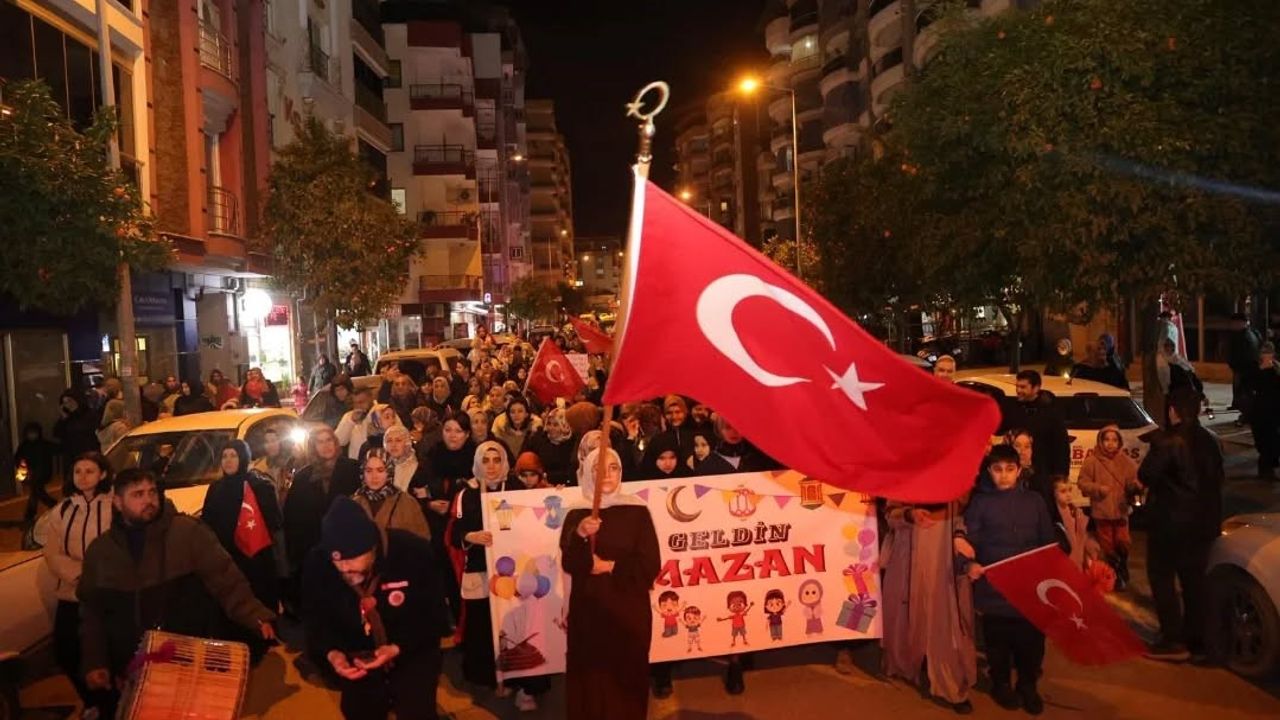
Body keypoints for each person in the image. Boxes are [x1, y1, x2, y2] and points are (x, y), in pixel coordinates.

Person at [78, 469, 276, 717]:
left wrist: (255, 614)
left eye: (152, 492)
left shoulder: (187, 532)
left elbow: (225, 578)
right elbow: (92, 612)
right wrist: (95, 661)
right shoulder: (100, 552)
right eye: (138, 494)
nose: (148, 500)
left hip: (187, 662)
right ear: (117, 502)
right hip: (132, 670)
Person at [303, 497, 448, 720]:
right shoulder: (318, 563)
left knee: (416, 711)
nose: (344, 569)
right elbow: (315, 619)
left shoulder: (413, 552)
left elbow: (434, 616)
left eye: (352, 559)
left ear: (372, 547)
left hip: (412, 651)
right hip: (357, 657)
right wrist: (332, 653)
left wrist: (398, 647)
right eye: (337, 561)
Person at [560, 447, 660, 720]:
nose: (606, 474)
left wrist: (610, 566)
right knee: (591, 677)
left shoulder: (637, 511)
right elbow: (570, 563)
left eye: (613, 468)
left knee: (626, 675)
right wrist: (580, 535)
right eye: (598, 469)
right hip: (589, 609)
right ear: (587, 473)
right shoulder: (576, 514)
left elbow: (650, 565)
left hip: (628, 609)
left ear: (621, 472)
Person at [448, 441, 546, 711]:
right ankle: (494, 678)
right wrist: (471, 536)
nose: (491, 466)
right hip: (480, 571)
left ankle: (524, 685)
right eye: (486, 460)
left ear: (504, 462)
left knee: (518, 628)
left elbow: (535, 520)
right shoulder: (466, 495)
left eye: (496, 460)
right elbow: (454, 533)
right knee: (484, 628)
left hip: (514, 572)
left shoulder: (516, 490)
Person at [957, 445, 1055, 715]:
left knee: (1031, 643)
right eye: (997, 469)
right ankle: (1000, 684)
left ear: (1019, 470)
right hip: (995, 588)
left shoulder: (1034, 501)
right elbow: (967, 540)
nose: (1004, 475)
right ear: (989, 471)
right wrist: (969, 563)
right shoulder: (980, 503)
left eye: (1009, 469)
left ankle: (1028, 685)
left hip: (1031, 587)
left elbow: (1048, 541)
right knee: (998, 642)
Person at [1139, 386, 1224, 662]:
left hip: (1171, 523)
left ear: (1173, 410)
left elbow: (1146, 474)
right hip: (1204, 523)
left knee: (1162, 577)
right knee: (1194, 581)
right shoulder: (1211, 440)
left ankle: (1173, 640)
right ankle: (1198, 641)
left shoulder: (1168, 441)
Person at [882, 495, 977, 714]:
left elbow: (968, 513)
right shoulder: (902, 479)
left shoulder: (955, 481)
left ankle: (950, 683)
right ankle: (908, 662)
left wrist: (960, 535)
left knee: (945, 621)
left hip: (943, 556)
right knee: (908, 614)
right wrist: (909, 515)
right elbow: (890, 515)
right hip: (907, 555)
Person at [42, 452, 114, 716]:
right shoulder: (63, 510)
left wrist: (97, 576)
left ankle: (108, 704)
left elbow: (118, 548)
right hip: (71, 593)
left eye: (89, 471)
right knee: (66, 652)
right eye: (77, 471)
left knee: (104, 653)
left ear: (102, 474)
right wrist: (78, 574)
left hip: (104, 592)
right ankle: (91, 700)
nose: (82, 477)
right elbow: (51, 552)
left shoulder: (114, 506)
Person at [201, 441, 285, 661]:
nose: (228, 461)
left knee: (254, 600)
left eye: (233, 456)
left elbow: (274, 521)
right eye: (224, 456)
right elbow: (207, 522)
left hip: (254, 558)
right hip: (225, 557)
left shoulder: (259, 486)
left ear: (243, 458)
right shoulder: (216, 488)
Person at [283, 427, 362, 607]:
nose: (326, 446)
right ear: (313, 447)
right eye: (320, 442)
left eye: (329, 440)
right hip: (315, 549)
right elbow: (293, 518)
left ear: (336, 443)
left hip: (348, 548)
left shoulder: (353, 469)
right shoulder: (303, 477)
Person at [1077, 426, 1141, 586]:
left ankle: (1122, 568)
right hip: (1102, 511)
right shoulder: (1092, 461)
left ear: (1119, 442)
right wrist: (1098, 489)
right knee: (1107, 544)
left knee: (1123, 541)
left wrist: (1134, 487)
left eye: (1114, 440)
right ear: (1100, 441)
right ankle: (1115, 574)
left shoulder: (1126, 462)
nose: (1110, 443)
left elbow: (1136, 480)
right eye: (1106, 439)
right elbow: (1082, 482)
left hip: (1121, 510)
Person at [1002, 370, 1069, 483]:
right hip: (1016, 473)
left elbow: (1061, 447)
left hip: (1042, 474)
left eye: (1023, 387)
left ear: (1036, 388)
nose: (1018, 390)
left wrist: (1061, 476)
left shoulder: (1050, 412)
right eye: (1017, 386)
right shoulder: (1013, 408)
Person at [352, 448, 429, 541]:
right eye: (368, 471)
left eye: (380, 470)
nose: (374, 476)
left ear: (389, 472)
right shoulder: (354, 502)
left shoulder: (407, 502)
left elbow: (422, 539)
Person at [1242, 342, 1280, 479]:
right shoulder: (1254, 368)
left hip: (1273, 409)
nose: (1266, 355)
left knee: (1272, 439)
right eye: (1264, 352)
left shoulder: (1276, 368)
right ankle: (1265, 468)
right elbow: (1249, 385)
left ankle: (1270, 465)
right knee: (1263, 439)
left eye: (1269, 352)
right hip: (1260, 409)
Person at [693, 415, 776, 476]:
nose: (734, 431)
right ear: (720, 429)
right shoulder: (709, 464)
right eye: (728, 427)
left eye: (738, 426)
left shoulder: (759, 458)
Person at [15, 422, 57, 533]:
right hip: (31, 474)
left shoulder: (43, 444)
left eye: (34, 433)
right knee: (37, 492)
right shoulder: (24, 446)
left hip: (42, 474)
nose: (32, 435)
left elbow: (57, 449)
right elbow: (18, 458)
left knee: (36, 492)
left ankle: (30, 515)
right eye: (30, 433)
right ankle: (51, 506)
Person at [524, 406, 576, 487]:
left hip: (564, 485)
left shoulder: (572, 443)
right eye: (549, 424)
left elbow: (571, 471)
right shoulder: (539, 439)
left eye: (555, 425)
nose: (551, 428)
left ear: (565, 426)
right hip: (539, 484)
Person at [54, 389, 100, 468]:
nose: (68, 405)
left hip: (87, 453)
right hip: (71, 456)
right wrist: (63, 419)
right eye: (65, 403)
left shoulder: (90, 414)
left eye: (70, 401)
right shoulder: (67, 417)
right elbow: (57, 434)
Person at [251, 427, 296, 505]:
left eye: (274, 441)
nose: (271, 445)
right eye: (267, 442)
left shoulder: (289, 466)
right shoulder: (257, 469)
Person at [1227, 312, 1262, 412]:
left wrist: (1234, 364)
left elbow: (1240, 352)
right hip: (1249, 366)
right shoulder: (1253, 333)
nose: (1233, 325)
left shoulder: (1242, 336)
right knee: (1244, 388)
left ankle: (1243, 407)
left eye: (1235, 323)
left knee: (1243, 388)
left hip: (1244, 366)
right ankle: (1240, 404)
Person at [336, 388, 376, 461]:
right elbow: (339, 441)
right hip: (356, 462)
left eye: (361, 402)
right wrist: (351, 421)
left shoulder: (384, 411)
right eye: (355, 403)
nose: (358, 406)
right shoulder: (349, 416)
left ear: (370, 399)